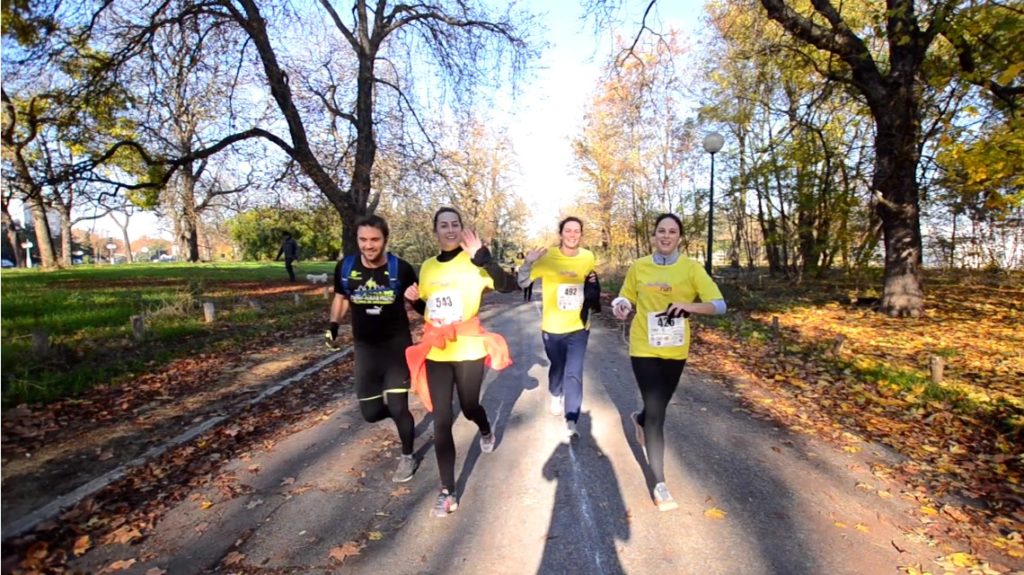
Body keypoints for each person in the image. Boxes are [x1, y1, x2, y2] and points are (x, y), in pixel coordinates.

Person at [404, 207, 519, 517]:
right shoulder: (427, 267)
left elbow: (509, 286)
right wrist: (414, 299)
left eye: (455, 224)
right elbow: (429, 309)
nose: (450, 229)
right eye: (444, 225)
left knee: (469, 406)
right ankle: (447, 491)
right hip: (438, 351)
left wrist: (484, 256)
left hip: (468, 348)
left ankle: (485, 429)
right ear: (436, 230)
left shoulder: (474, 260)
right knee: (441, 419)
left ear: (461, 229)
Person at [611, 213, 726, 511]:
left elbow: (720, 305)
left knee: (657, 407)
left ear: (679, 237)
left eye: (672, 231)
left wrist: (689, 306)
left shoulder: (691, 268)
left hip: (675, 350)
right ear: (654, 236)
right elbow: (625, 297)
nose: (665, 236)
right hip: (643, 346)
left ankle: (639, 418)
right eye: (661, 231)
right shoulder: (639, 266)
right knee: (658, 413)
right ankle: (660, 483)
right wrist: (621, 306)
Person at [326, 215, 424, 483]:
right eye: (363, 239)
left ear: (385, 240)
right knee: (370, 414)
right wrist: (333, 325)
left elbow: (421, 308)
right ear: (357, 240)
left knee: (399, 406)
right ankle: (400, 420)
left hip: (396, 349)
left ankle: (407, 456)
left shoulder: (401, 269)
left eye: (375, 240)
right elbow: (341, 297)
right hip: (366, 351)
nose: (369, 245)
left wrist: (415, 302)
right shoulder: (345, 267)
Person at [516, 217, 601, 440]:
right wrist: (528, 262)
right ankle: (555, 392)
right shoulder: (547, 257)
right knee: (558, 365)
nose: (572, 235)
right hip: (552, 328)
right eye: (568, 230)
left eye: (577, 231)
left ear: (581, 235)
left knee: (574, 372)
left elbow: (589, 279)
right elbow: (523, 283)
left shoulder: (588, 257)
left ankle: (571, 419)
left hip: (579, 327)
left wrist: (592, 287)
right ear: (561, 233)